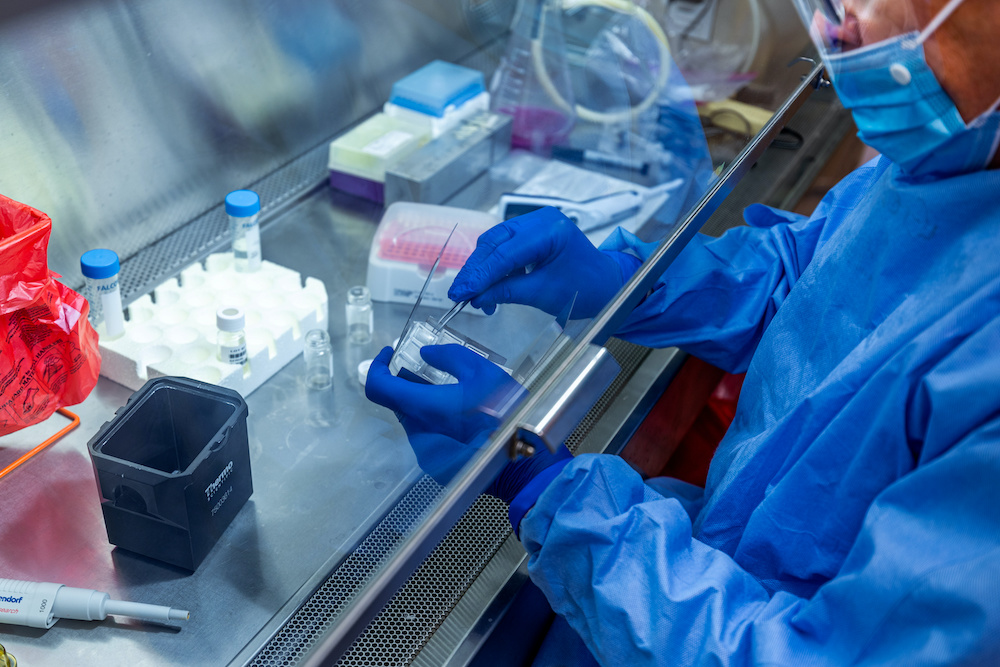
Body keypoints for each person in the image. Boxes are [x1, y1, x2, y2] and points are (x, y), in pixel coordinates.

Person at [366, 0, 1000, 663]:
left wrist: (547, 486)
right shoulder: (950, 161)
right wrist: (629, 282)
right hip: (713, 577)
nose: (844, 27)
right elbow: (819, 280)